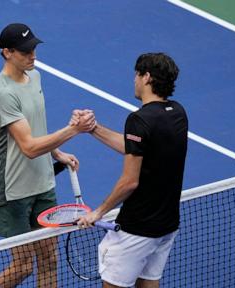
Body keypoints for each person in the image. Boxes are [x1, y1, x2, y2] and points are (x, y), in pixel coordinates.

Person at [0, 23, 95, 288]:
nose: (32, 55)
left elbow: (36, 126)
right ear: (7, 52)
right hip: (12, 190)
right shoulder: (1, 92)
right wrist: (73, 130)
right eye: (25, 51)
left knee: (49, 259)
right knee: (23, 266)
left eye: (33, 48)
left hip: (43, 182)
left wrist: (57, 153)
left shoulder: (35, 76)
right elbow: (29, 147)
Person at [75, 53, 188, 288]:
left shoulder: (139, 120)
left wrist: (98, 212)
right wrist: (93, 128)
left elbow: (129, 181)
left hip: (137, 228)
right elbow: (136, 146)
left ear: (146, 77)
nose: (135, 80)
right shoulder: (178, 113)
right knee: (149, 283)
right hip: (166, 225)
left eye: (137, 75)